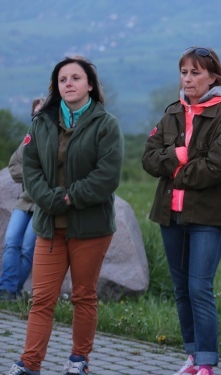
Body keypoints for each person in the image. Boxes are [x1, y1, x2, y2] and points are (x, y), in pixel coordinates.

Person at [7, 56, 124, 375]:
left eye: (75, 78)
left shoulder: (106, 124)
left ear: (89, 85)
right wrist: (47, 198)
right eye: (62, 79)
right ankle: (29, 364)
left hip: (90, 227)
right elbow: (28, 165)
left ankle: (78, 360)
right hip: (49, 225)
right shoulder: (41, 122)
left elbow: (107, 176)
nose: (68, 83)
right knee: (42, 299)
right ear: (56, 87)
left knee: (83, 296)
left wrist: (69, 197)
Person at [142, 47, 221, 375]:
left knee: (199, 287)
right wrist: (181, 155)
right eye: (184, 72)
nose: (188, 79)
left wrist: (172, 166)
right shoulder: (172, 112)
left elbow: (220, 167)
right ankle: (191, 355)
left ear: (213, 76)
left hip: (208, 217)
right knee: (181, 288)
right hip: (170, 215)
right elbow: (147, 158)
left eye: (195, 73)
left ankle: (206, 363)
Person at [0, 98, 45, 301]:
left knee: (28, 248)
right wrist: (35, 173)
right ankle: (7, 290)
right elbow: (13, 166)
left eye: (41, 114)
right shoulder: (29, 138)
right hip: (24, 200)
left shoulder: (57, 138)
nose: (37, 118)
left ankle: (9, 292)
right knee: (11, 242)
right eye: (34, 115)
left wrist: (32, 173)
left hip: (43, 203)